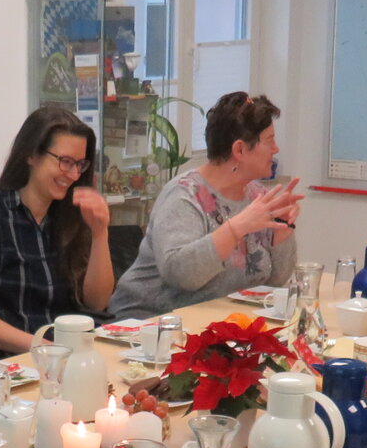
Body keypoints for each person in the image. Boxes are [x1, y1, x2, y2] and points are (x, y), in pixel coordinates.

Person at [109, 92, 303, 318]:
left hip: (215, 323)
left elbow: (272, 284)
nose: (276, 149)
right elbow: (182, 274)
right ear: (239, 150)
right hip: (149, 325)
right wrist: (237, 228)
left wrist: (282, 230)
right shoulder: (184, 195)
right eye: (269, 141)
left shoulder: (257, 196)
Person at [0, 106, 115, 354]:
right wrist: (42, 347)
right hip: (7, 363)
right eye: (65, 162)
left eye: (80, 164)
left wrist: (100, 234)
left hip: (63, 355)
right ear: (31, 155)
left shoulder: (67, 214)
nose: (74, 174)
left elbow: (97, 302)